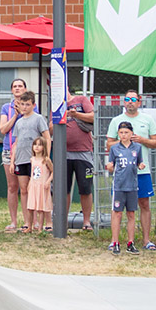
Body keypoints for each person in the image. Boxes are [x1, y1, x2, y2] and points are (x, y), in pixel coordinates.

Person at [106, 93, 156, 250]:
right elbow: (109, 144)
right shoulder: (116, 121)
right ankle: (114, 241)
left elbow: (155, 142)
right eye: (127, 100)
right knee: (117, 208)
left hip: (142, 171)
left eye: (133, 100)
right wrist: (124, 140)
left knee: (143, 204)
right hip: (122, 174)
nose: (130, 102)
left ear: (139, 102)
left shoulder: (147, 119)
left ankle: (146, 240)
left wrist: (142, 140)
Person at [7, 91, 50, 233]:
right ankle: (27, 222)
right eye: (22, 104)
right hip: (21, 159)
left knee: (38, 189)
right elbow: (16, 142)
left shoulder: (38, 119)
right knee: (24, 190)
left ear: (33, 105)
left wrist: (46, 156)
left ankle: (41, 221)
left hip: (36, 161)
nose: (24, 107)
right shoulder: (18, 122)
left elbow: (46, 137)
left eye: (27, 104)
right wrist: (12, 161)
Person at [106, 122, 145, 255]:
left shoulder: (137, 148)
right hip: (119, 186)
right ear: (118, 134)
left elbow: (139, 162)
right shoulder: (115, 148)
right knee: (117, 213)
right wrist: (110, 167)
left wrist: (141, 165)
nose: (124, 135)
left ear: (131, 134)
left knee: (131, 213)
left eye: (126, 132)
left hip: (132, 186)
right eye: (121, 133)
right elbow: (111, 164)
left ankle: (130, 242)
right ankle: (115, 242)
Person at [63, 86, 96, 231]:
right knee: (63, 189)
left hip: (84, 152)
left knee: (85, 188)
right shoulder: (57, 106)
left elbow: (93, 116)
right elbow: (50, 128)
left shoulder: (81, 100)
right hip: (64, 153)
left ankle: (86, 221)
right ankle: (62, 220)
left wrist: (76, 115)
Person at [26, 138, 54, 234]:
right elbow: (32, 173)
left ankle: (40, 228)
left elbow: (53, 171)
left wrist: (48, 181)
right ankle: (29, 226)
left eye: (39, 145)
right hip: (34, 185)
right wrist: (29, 184)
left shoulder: (46, 160)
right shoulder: (32, 159)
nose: (37, 147)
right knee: (30, 207)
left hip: (42, 186)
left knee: (41, 208)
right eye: (35, 144)